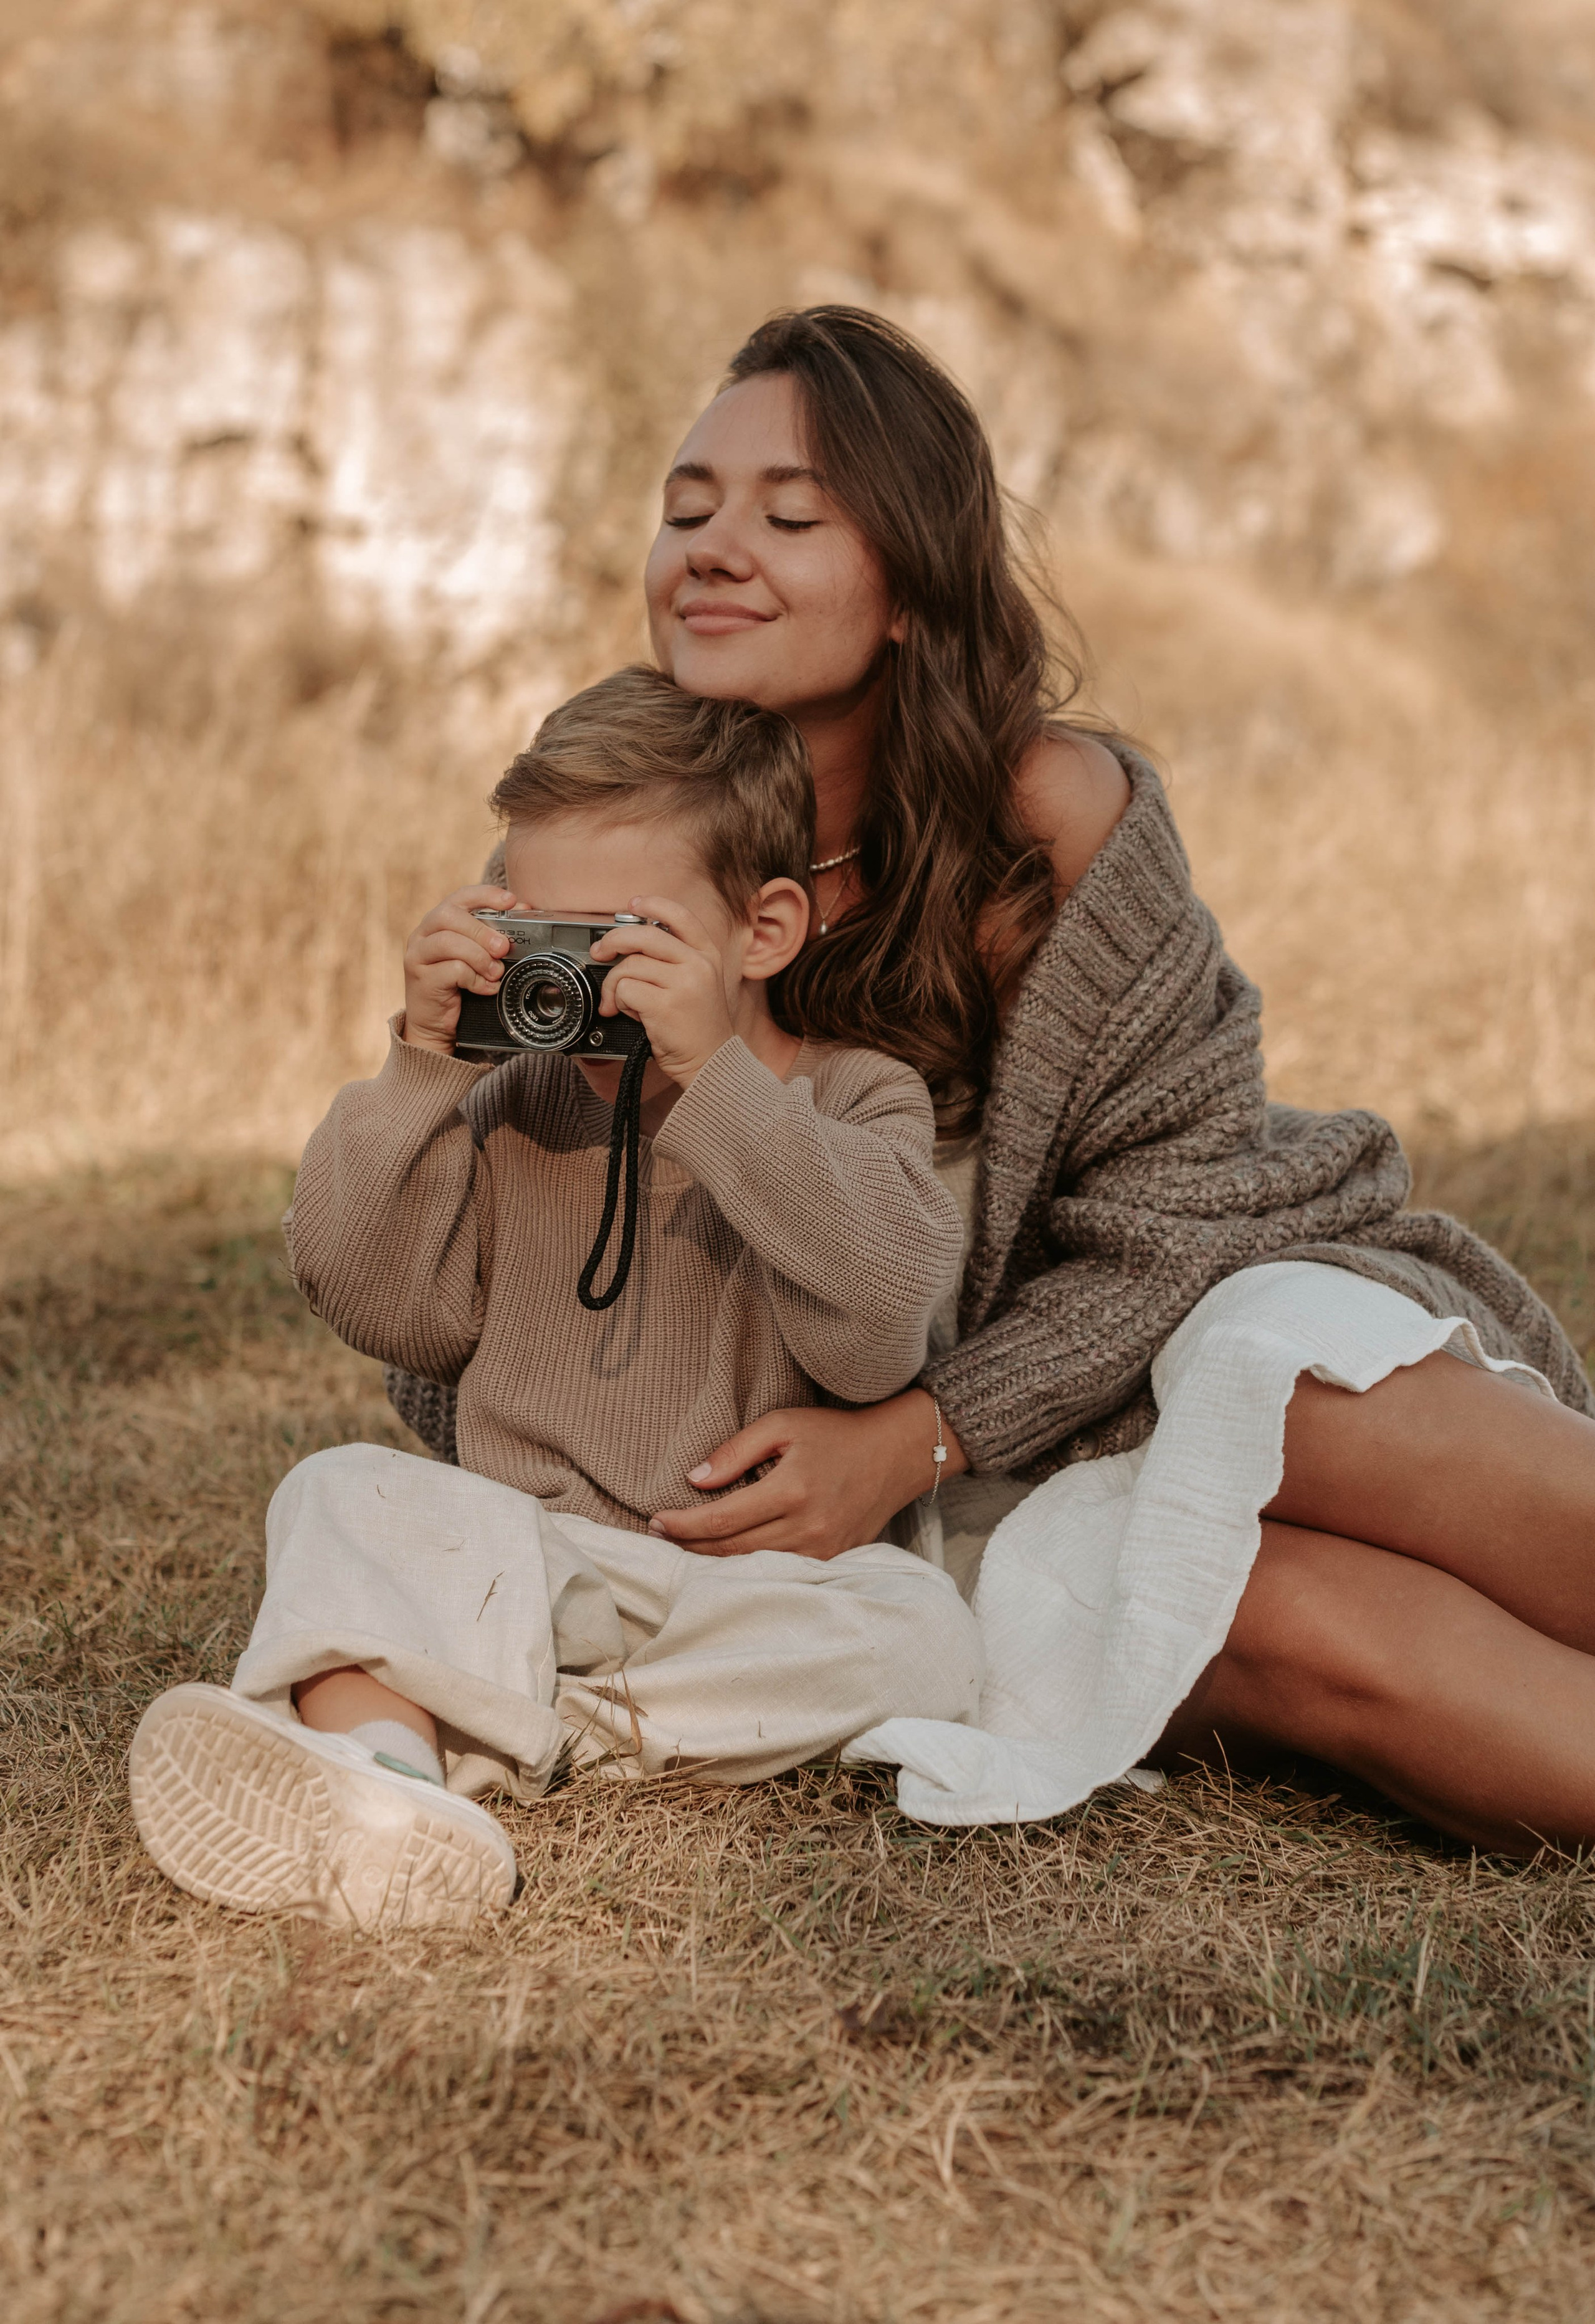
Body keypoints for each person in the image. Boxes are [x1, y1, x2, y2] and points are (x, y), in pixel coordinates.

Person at [378, 305, 1595, 1860]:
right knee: (1274, 1618)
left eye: (788, 514)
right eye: (685, 508)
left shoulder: (1047, 814)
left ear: (906, 583)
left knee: (1301, 1391)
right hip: (903, 1525)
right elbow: (494, 1295)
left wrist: (928, 1423)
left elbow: (1183, 1208)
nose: (713, 546)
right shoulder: (590, 847)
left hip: (1119, 1347)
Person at [128, 668, 981, 1927]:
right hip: (529, 1554)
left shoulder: (855, 1098)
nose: (578, 977)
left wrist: (718, 1088)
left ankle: (438, 1733)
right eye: (545, 932)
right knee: (335, 1489)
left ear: (765, 929)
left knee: (925, 1638)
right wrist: (419, 1063)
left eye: (623, 937)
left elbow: (870, 1338)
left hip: (748, 1584)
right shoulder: (511, 1101)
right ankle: (395, 1773)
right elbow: (370, 1295)